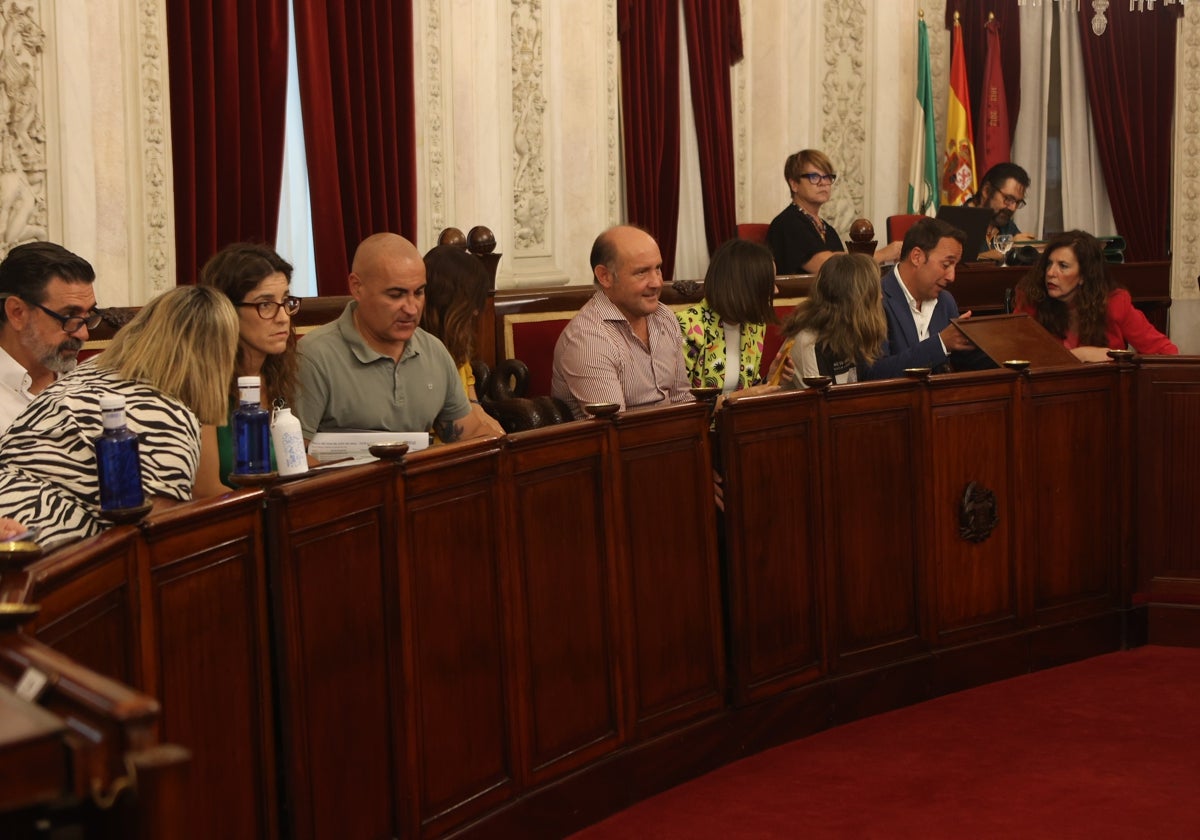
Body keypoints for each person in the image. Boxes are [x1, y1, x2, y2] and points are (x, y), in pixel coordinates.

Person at [0, 285, 238, 547]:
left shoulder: (89, 370)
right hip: (43, 548)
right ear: (218, 354)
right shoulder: (168, 415)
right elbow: (159, 534)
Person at [295, 232, 495, 443]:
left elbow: (470, 437)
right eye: (395, 295)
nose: (411, 308)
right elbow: (294, 461)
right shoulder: (313, 357)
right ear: (357, 287)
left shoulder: (434, 351)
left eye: (418, 293)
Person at [193, 242, 303, 496]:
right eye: (265, 304)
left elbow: (293, 465)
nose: (284, 316)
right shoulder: (202, 382)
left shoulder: (278, 372)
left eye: (286, 301)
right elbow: (206, 491)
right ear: (227, 310)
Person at [552, 225, 695, 419]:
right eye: (642, 272)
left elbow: (682, 401)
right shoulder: (587, 339)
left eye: (658, 268)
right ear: (605, 276)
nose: (657, 282)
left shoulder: (664, 317)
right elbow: (615, 431)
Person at [1013, 230, 1178, 361]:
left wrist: (1121, 360)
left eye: (1063, 266)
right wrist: (1082, 355)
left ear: (1084, 275)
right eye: (1049, 263)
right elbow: (1013, 356)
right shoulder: (1032, 299)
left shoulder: (1114, 303)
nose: (1050, 272)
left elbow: (1167, 353)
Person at [863, 217, 987, 380]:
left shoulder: (945, 301)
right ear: (917, 257)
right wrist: (941, 344)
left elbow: (963, 362)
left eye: (955, 266)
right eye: (946, 265)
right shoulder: (875, 299)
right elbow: (874, 373)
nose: (952, 277)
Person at [0, 241, 101, 432]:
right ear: (17, 313)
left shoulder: (93, 385)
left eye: (88, 316)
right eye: (69, 316)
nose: (84, 334)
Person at [676, 238, 791, 395]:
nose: (776, 290)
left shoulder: (755, 325)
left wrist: (769, 379)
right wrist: (735, 398)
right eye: (769, 282)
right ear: (744, 286)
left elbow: (747, 388)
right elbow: (679, 401)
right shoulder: (687, 326)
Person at [765, 149, 900, 275]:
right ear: (794, 184)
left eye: (827, 177)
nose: (823, 183)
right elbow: (827, 266)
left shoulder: (827, 229)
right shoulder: (787, 223)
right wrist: (883, 254)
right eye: (814, 177)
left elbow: (843, 276)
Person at [422, 244, 506, 437]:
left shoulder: (455, 340)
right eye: (470, 303)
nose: (476, 312)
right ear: (446, 300)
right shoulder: (419, 350)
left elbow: (472, 403)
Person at [779, 253, 888, 387]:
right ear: (855, 300)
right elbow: (823, 404)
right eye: (875, 292)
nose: (881, 297)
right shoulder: (808, 342)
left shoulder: (853, 330)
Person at [967, 162, 1036, 252]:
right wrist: (1009, 247)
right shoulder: (957, 223)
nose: (1013, 208)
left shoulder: (1007, 225)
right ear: (986, 191)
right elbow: (967, 262)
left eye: (1018, 202)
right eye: (1008, 199)